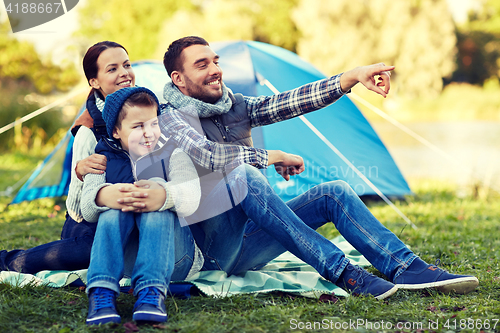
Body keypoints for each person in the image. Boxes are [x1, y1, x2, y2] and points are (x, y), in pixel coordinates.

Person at [144, 36, 477, 299]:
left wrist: (351, 78)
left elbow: (292, 101)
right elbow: (210, 156)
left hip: (253, 243)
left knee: (334, 191)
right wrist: (271, 156)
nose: (215, 69)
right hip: (212, 249)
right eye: (202, 64)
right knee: (244, 174)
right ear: (179, 78)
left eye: (216, 61)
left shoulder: (237, 105)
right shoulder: (169, 116)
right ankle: (344, 272)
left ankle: (407, 267)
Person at [0, 42, 180, 275]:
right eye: (112, 69)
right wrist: (82, 174)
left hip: (137, 210)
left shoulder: (146, 108)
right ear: (94, 82)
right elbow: (78, 209)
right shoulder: (88, 131)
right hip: (89, 223)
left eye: (126, 65)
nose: (124, 73)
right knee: (95, 249)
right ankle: (10, 261)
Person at [81, 87, 201, 325]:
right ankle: (102, 291)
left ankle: (151, 291)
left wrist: (163, 194)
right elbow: (87, 208)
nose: (149, 133)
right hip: (126, 262)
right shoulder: (102, 158)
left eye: (153, 124)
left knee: (156, 185)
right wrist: (106, 195)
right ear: (116, 131)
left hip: (176, 258)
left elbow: (192, 197)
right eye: (137, 126)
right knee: (114, 202)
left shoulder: (174, 153)